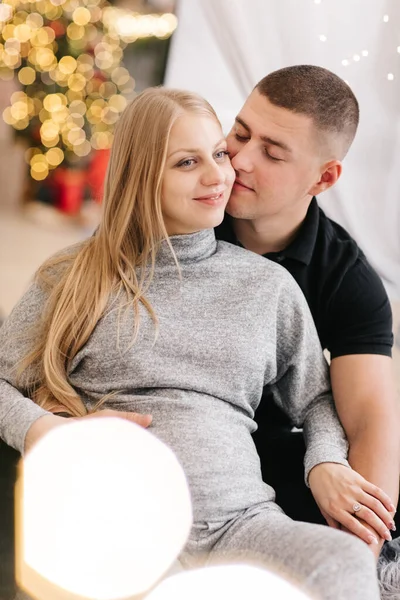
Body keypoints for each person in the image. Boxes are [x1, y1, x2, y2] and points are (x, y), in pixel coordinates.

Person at [0, 87, 389, 600]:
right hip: (121, 523)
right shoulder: (74, 276)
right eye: (188, 162)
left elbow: (318, 398)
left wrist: (325, 461)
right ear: (142, 175)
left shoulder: (269, 286)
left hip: (241, 520)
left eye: (218, 154)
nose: (221, 174)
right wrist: (44, 429)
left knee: (343, 564)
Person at [215, 65, 400, 556]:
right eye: (239, 133)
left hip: (272, 451)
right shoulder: (180, 212)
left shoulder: (347, 277)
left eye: (272, 153)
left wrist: (358, 550)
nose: (240, 160)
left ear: (323, 177)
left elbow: (368, 420)